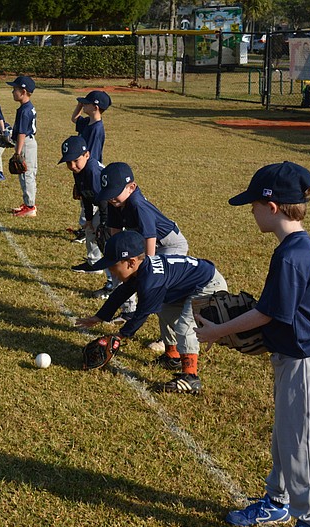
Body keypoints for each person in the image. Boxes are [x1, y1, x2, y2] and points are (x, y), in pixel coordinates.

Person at [195, 162, 310, 527]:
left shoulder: (292, 256)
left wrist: (216, 332)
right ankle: (278, 500)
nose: (251, 211)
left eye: (254, 204)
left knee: (300, 447)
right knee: (284, 438)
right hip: (292, 357)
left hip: (304, 363)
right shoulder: (296, 248)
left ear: (272, 207)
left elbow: (266, 315)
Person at [75, 230, 228, 394]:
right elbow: (122, 292)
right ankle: (173, 356)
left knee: (185, 325)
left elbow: (141, 314)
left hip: (208, 286)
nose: (111, 271)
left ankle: (190, 378)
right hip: (190, 286)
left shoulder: (150, 282)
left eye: (113, 265)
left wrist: (119, 336)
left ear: (131, 262)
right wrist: (99, 317)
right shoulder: (141, 269)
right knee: (165, 311)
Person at [95, 162, 189, 353]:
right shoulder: (116, 201)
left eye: (115, 192)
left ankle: (170, 340)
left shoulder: (137, 204)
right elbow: (116, 232)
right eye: (109, 193)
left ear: (132, 187)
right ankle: (129, 312)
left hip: (168, 245)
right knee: (128, 277)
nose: (111, 198)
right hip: (150, 246)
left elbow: (150, 237)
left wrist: (150, 269)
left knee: (160, 293)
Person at [58, 136, 114, 297]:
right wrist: (89, 220)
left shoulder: (92, 171)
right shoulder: (79, 170)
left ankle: (112, 283)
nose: (72, 165)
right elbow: (87, 197)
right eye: (68, 162)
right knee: (89, 231)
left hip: (113, 207)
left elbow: (104, 200)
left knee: (106, 243)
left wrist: (104, 224)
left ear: (87, 155)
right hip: (105, 206)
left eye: (75, 160)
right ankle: (94, 264)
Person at [69, 90, 111, 245]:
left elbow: (90, 156)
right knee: (83, 200)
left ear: (96, 107)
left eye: (86, 103)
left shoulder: (96, 129)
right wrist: (80, 103)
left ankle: (87, 230)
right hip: (82, 168)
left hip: (90, 170)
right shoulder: (88, 122)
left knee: (89, 199)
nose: (83, 105)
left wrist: (83, 175)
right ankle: (85, 227)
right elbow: (74, 118)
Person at [6, 75, 38, 217]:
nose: (13, 92)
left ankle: (30, 206)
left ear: (23, 91)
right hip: (28, 143)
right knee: (27, 173)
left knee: (26, 174)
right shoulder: (26, 107)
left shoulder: (25, 110)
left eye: (15, 89)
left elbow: (22, 133)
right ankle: (28, 203)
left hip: (25, 144)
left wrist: (18, 152)